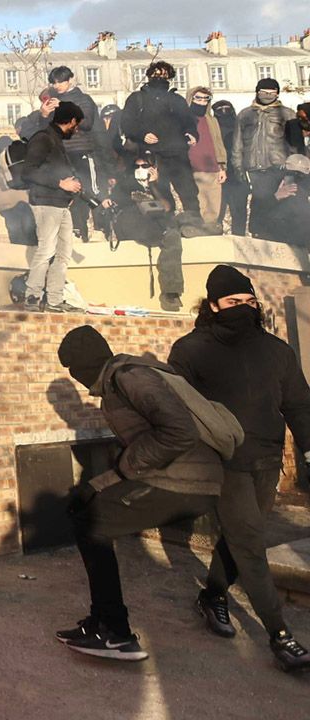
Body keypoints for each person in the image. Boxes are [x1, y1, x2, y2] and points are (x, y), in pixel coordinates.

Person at [55, 325, 235, 661]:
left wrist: (118, 473)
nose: (76, 378)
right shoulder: (117, 380)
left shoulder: (130, 378)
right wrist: (96, 486)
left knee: (92, 525)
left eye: (73, 369)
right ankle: (100, 622)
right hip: (174, 477)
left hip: (187, 482)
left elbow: (178, 432)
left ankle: (115, 632)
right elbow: (137, 456)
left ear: (85, 364)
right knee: (83, 514)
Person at [168, 265, 310, 672]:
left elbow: (299, 405)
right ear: (213, 305)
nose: (244, 309)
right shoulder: (190, 350)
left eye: (249, 302)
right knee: (250, 543)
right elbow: (179, 411)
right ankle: (280, 635)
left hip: (266, 460)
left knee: (240, 536)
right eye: (233, 302)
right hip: (223, 464)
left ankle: (212, 595)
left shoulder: (277, 351)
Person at [21, 67, 103, 242]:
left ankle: (90, 228)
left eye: (61, 81)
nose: (57, 85)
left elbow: (87, 122)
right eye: (54, 82)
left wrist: (64, 109)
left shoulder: (83, 99)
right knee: (64, 190)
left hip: (80, 151)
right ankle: (69, 231)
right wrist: (44, 114)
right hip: (59, 152)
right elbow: (46, 128)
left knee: (85, 189)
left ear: (70, 80)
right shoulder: (52, 99)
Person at [21, 100, 85, 313]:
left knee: (63, 253)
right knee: (46, 249)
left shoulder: (56, 140)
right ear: (72, 121)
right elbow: (28, 171)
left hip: (61, 203)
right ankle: (32, 295)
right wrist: (60, 183)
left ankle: (55, 299)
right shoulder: (43, 138)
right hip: (46, 202)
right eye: (77, 125)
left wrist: (71, 187)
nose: (76, 131)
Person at [120, 62, 201, 217]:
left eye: (164, 75)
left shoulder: (176, 99)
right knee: (160, 194)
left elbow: (189, 122)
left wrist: (191, 134)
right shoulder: (137, 98)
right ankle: (166, 227)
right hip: (152, 155)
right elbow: (126, 123)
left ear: (170, 77)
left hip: (177, 154)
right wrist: (141, 134)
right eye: (156, 74)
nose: (159, 77)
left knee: (189, 193)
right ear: (149, 76)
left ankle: (194, 224)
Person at [107, 153, 185, 311]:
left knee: (173, 237)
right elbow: (117, 207)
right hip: (133, 225)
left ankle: (170, 293)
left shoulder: (160, 184)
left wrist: (153, 186)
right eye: (137, 166)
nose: (140, 169)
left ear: (153, 168)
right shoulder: (125, 184)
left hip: (156, 227)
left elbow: (167, 207)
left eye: (144, 166)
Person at [232, 79, 298, 239]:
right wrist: (238, 169)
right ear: (257, 91)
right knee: (260, 204)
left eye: (272, 92)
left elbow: (295, 145)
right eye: (263, 92)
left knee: (282, 206)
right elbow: (237, 144)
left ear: (277, 93)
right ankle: (259, 237)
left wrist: (293, 171)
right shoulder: (245, 114)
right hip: (255, 170)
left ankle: (282, 239)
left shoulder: (287, 114)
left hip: (280, 169)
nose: (267, 95)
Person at [186, 87, 228, 227]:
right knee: (197, 206)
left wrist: (222, 167)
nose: (202, 102)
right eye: (198, 98)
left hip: (212, 169)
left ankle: (210, 234)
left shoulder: (211, 120)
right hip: (192, 169)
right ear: (191, 98)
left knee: (213, 207)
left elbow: (218, 143)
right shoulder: (183, 120)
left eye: (206, 99)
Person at [211, 100, 249, 235]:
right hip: (217, 174)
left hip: (237, 175)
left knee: (239, 213)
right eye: (219, 110)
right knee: (216, 213)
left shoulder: (239, 127)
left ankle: (239, 243)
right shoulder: (212, 127)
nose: (223, 112)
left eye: (226, 109)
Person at [265, 154, 310, 247]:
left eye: (300, 175)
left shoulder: (305, 188)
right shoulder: (271, 182)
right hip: (276, 238)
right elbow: (257, 216)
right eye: (291, 173)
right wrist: (276, 196)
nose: (295, 178)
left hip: (301, 240)